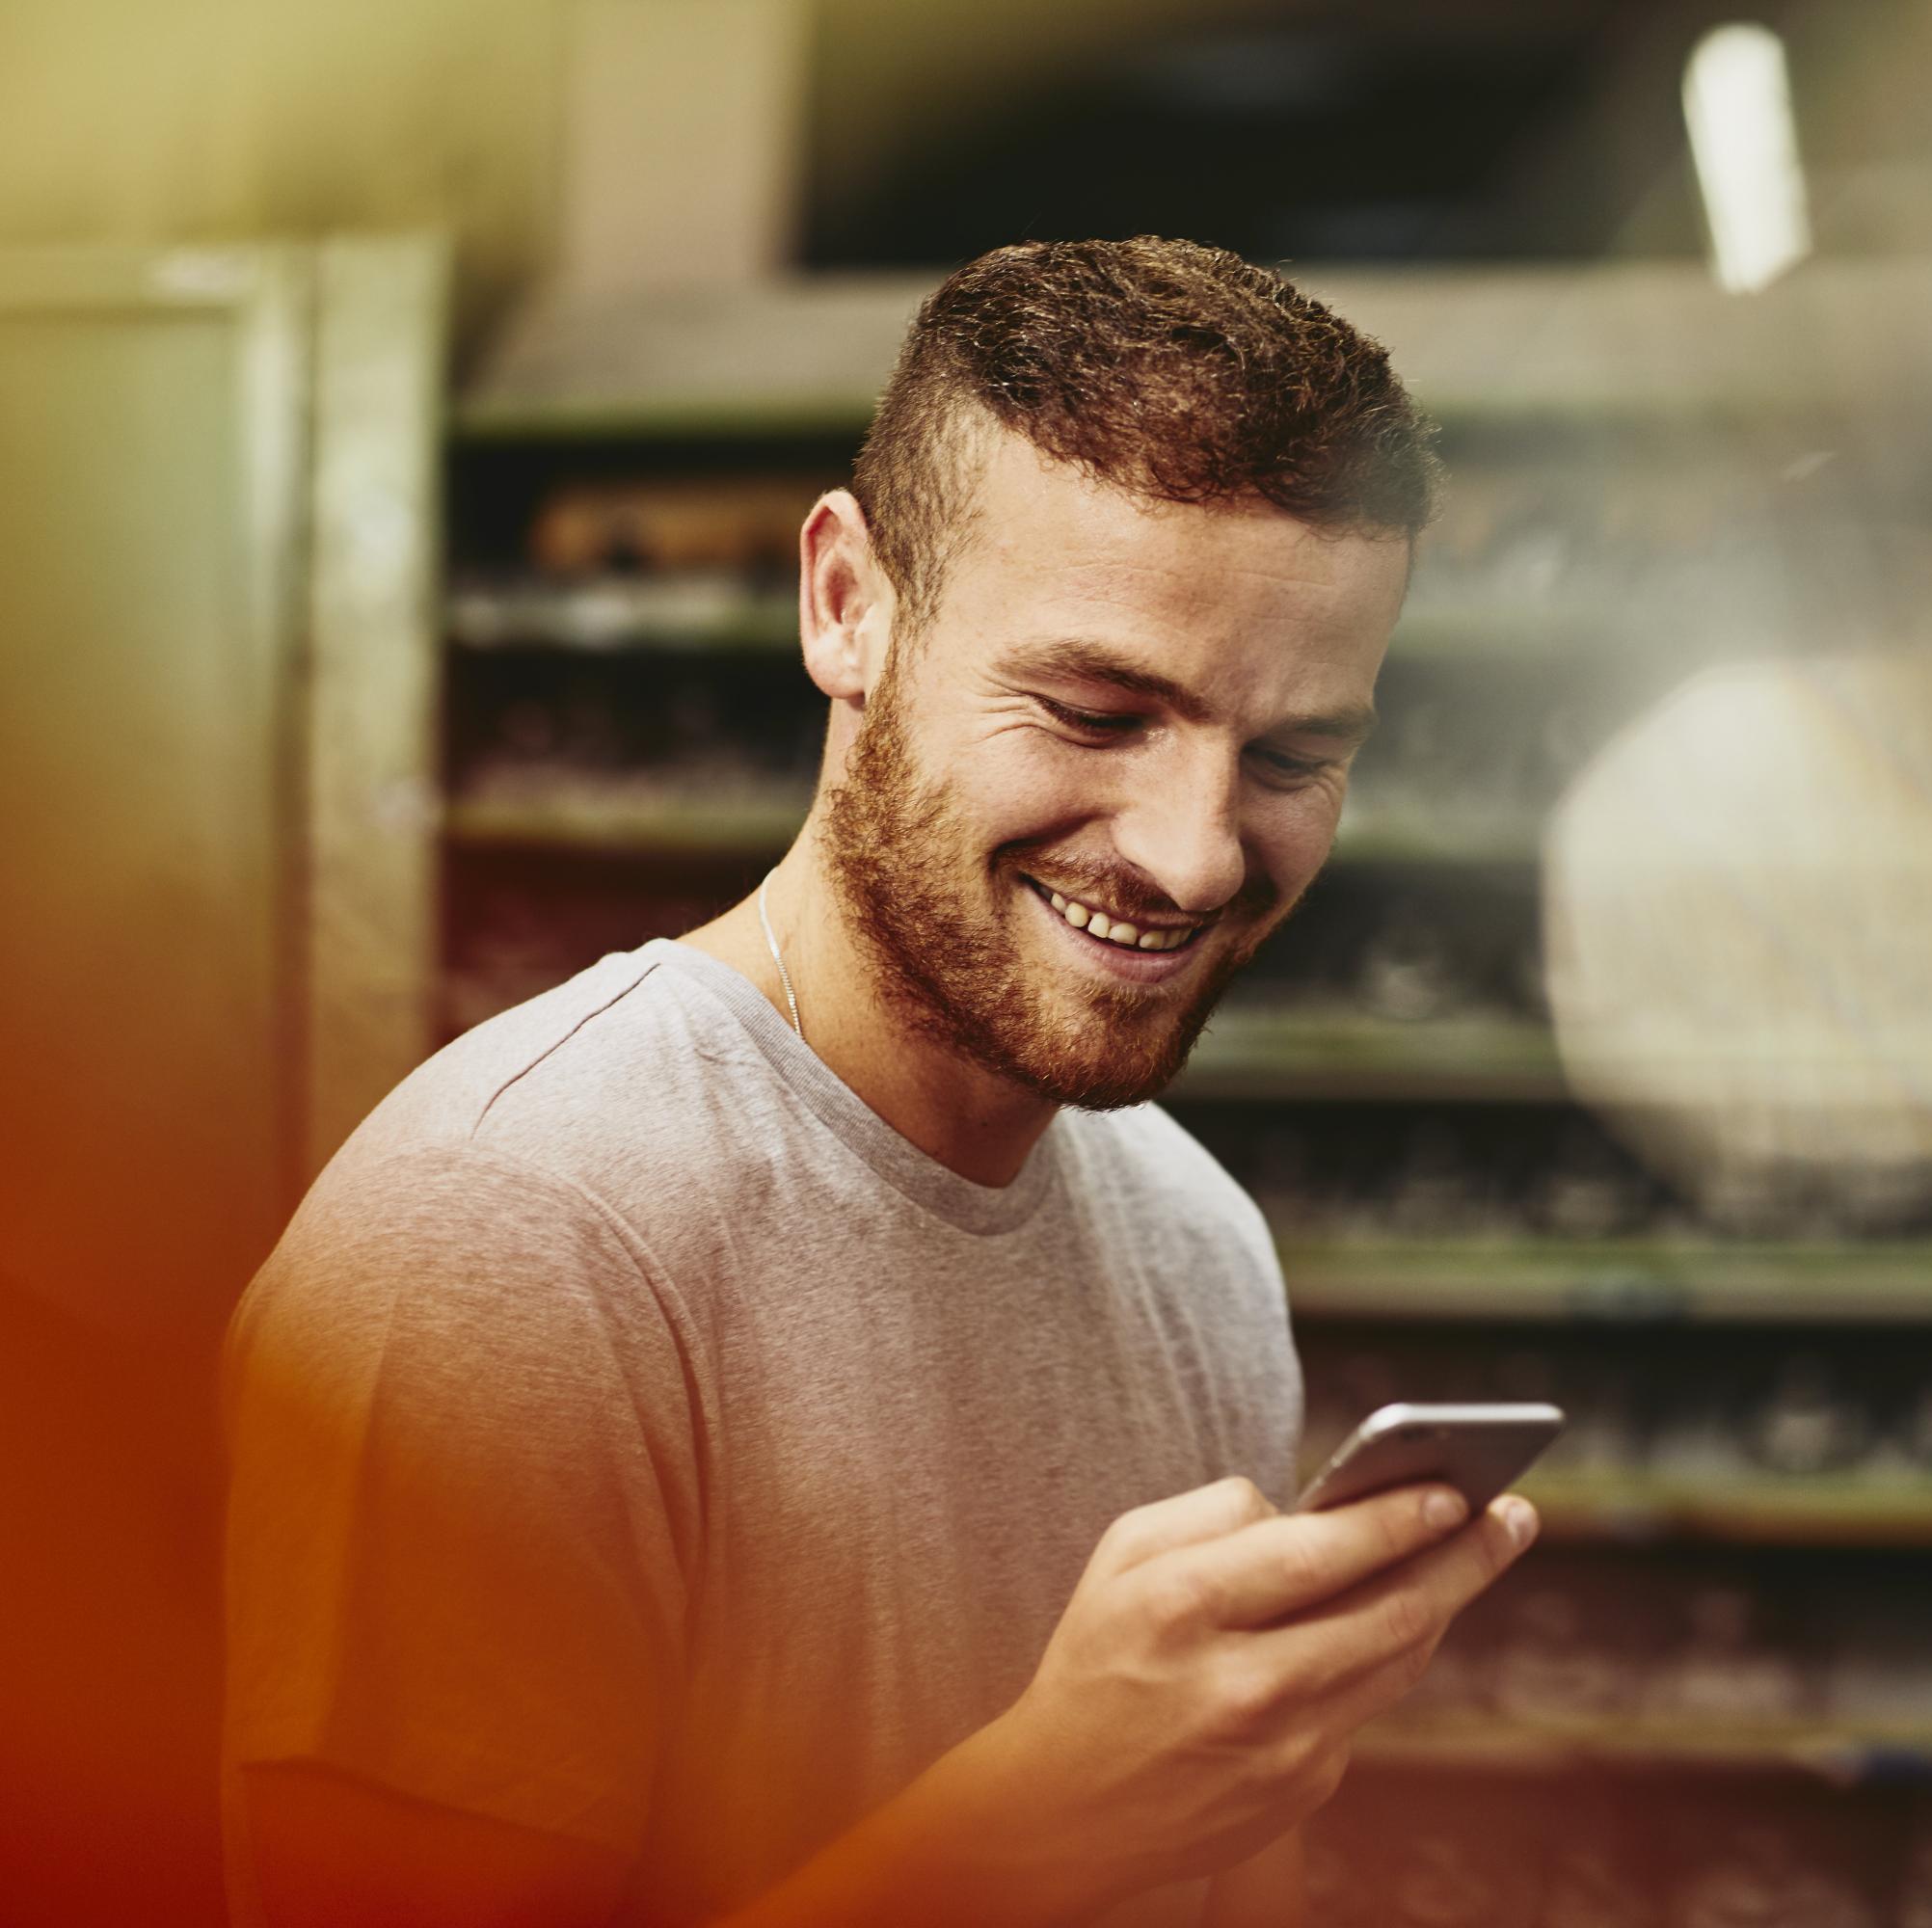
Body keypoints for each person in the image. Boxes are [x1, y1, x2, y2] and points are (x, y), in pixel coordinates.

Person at [220, 236, 1540, 1928]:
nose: (1197, 857)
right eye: (1094, 709)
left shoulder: (1201, 1254)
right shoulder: (508, 1246)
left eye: (1292, 756)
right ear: (849, 604)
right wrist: (1037, 1826)